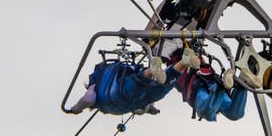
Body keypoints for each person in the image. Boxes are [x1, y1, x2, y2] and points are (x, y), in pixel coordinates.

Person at [65, 48, 200, 115]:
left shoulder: (96, 92)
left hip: (122, 97)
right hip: (139, 99)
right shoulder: (99, 88)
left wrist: (75, 109)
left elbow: (88, 98)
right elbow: (143, 110)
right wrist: (152, 111)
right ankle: (184, 62)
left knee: (154, 88)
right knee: (158, 87)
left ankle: (154, 70)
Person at [174, 52, 249, 122]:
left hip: (198, 89)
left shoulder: (174, 66)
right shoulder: (196, 57)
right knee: (234, 115)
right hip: (211, 82)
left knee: (206, 113)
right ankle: (242, 83)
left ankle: (222, 87)